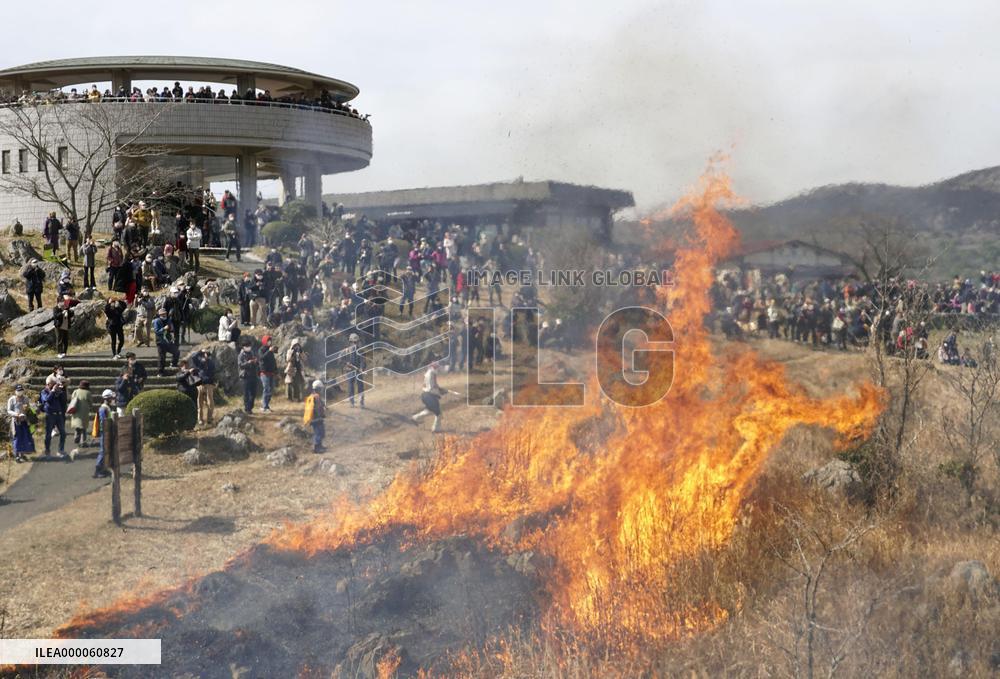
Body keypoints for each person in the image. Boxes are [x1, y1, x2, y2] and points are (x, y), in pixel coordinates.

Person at [412, 362, 449, 433]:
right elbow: (431, 388)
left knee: (429, 411)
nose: (438, 369)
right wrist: (441, 391)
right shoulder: (431, 374)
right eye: (437, 368)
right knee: (438, 414)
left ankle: (415, 418)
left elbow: (434, 386)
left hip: (425, 395)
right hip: (430, 396)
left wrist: (441, 389)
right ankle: (436, 428)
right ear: (433, 368)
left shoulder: (429, 373)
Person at [6, 385, 36, 463]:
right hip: (15, 421)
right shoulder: (11, 399)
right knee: (17, 438)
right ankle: (17, 455)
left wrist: (27, 409)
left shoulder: (25, 399)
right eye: (18, 390)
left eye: (21, 390)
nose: (20, 392)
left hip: (24, 420)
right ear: (15, 391)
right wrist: (16, 414)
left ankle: (22, 454)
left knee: (24, 437)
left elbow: (29, 408)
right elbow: (9, 410)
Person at [39, 378, 68, 459]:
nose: (54, 385)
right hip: (50, 415)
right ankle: (47, 451)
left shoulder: (57, 391)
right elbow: (47, 400)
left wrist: (61, 391)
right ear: (48, 384)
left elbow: (64, 401)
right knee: (48, 435)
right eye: (53, 383)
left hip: (59, 414)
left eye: (55, 383)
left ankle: (60, 450)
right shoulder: (44, 392)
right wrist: (52, 391)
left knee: (63, 433)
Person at [192, 348, 217, 425]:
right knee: (200, 403)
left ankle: (209, 419)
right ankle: (200, 419)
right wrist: (200, 351)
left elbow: (213, 373)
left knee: (210, 403)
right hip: (200, 384)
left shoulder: (211, 363)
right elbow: (193, 357)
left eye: (208, 354)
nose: (207, 356)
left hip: (209, 384)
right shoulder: (199, 362)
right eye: (206, 354)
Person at [93, 389, 115, 478]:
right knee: (103, 451)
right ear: (107, 398)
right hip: (105, 432)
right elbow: (103, 422)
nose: (113, 399)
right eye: (111, 397)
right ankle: (97, 471)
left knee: (106, 451)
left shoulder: (107, 407)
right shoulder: (103, 408)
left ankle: (103, 468)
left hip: (107, 432)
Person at [152, 308, 180, 376]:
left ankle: (173, 364)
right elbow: (156, 331)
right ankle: (160, 372)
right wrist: (163, 329)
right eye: (162, 314)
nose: (164, 315)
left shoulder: (169, 320)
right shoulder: (156, 321)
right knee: (162, 358)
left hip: (168, 341)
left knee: (176, 351)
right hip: (160, 342)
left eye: (165, 313)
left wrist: (171, 330)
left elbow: (172, 329)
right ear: (159, 314)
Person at [303, 379, 326, 453]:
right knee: (319, 433)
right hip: (316, 418)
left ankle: (319, 445)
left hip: (312, 418)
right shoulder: (317, 397)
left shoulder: (311, 396)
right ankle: (317, 448)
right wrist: (322, 416)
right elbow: (318, 408)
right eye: (321, 388)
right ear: (318, 389)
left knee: (319, 432)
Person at [68, 379, 92, 450]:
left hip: (76, 410)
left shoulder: (76, 391)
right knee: (83, 428)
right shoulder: (88, 393)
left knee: (77, 426)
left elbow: (72, 398)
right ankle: (83, 441)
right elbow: (90, 402)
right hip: (84, 412)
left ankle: (76, 437)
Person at [345, 333, 366, 408]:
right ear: (350, 342)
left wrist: (361, 368)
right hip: (350, 370)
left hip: (358, 370)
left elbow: (363, 361)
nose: (355, 344)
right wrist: (347, 363)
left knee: (360, 386)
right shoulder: (347, 351)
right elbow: (341, 360)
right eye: (353, 342)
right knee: (351, 386)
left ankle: (361, 402)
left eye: (356, 342)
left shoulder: (360, 351)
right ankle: (351, 402)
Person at [238, 341, 259, 413]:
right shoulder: (241, 355)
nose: (249, 347)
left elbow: (257, 363)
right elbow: (240, 365)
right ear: (244, 347)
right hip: (245, 376)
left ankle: (250, 407)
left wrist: (255, 361)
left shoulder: (252, 353)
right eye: (247, 346)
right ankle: (247, 408)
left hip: (253, 375)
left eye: (249, 346)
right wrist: (248, 362)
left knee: (253, 393)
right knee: (246, 393)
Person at [259, 337, 278, 412]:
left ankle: (266, 404)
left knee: (271, 389)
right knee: (266, 389)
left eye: (270, 341)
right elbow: (262, 358)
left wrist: (276, 370)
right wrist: (269, 351)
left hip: (271, 373)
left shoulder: (270, 350)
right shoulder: (261, 350)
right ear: (264, 341)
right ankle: (264, 406)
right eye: (268, 341)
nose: (269, 342)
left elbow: (273, 361)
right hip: (264, 373)